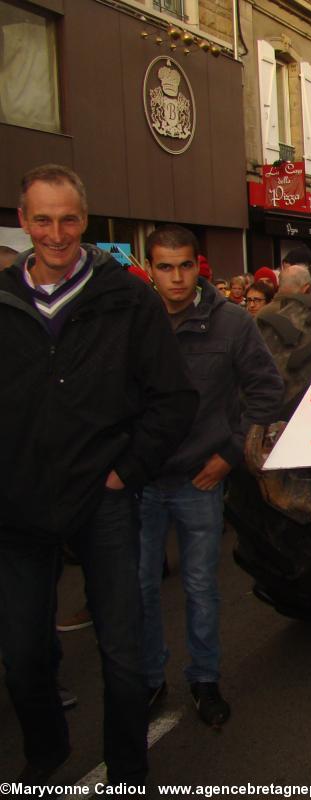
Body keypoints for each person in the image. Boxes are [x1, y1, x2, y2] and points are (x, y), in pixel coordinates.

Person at [0, 164, 197, 783]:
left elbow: (174, 399)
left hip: (105, 501)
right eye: (42, 220)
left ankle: (129, 767)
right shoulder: (3, 300)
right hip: (19, 505)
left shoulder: (128, 298)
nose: (56, 233)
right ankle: (45, 755)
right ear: (23, 221)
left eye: (67, 219)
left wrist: (126, 471)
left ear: (84, 221)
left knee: (122, 649)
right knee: (24, 655)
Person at [141, 225, 282, 728]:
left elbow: (267, 392)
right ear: (149, 267)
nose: (176, 278)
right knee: (138, 587)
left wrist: (228, 454)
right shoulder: (133, 320)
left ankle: (204, 678)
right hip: (140, 478)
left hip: (198, 478)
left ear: (198, 265)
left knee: (201, 585)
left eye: (184, 266)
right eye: (164, 266)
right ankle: (148, 679)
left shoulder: (232, 324)